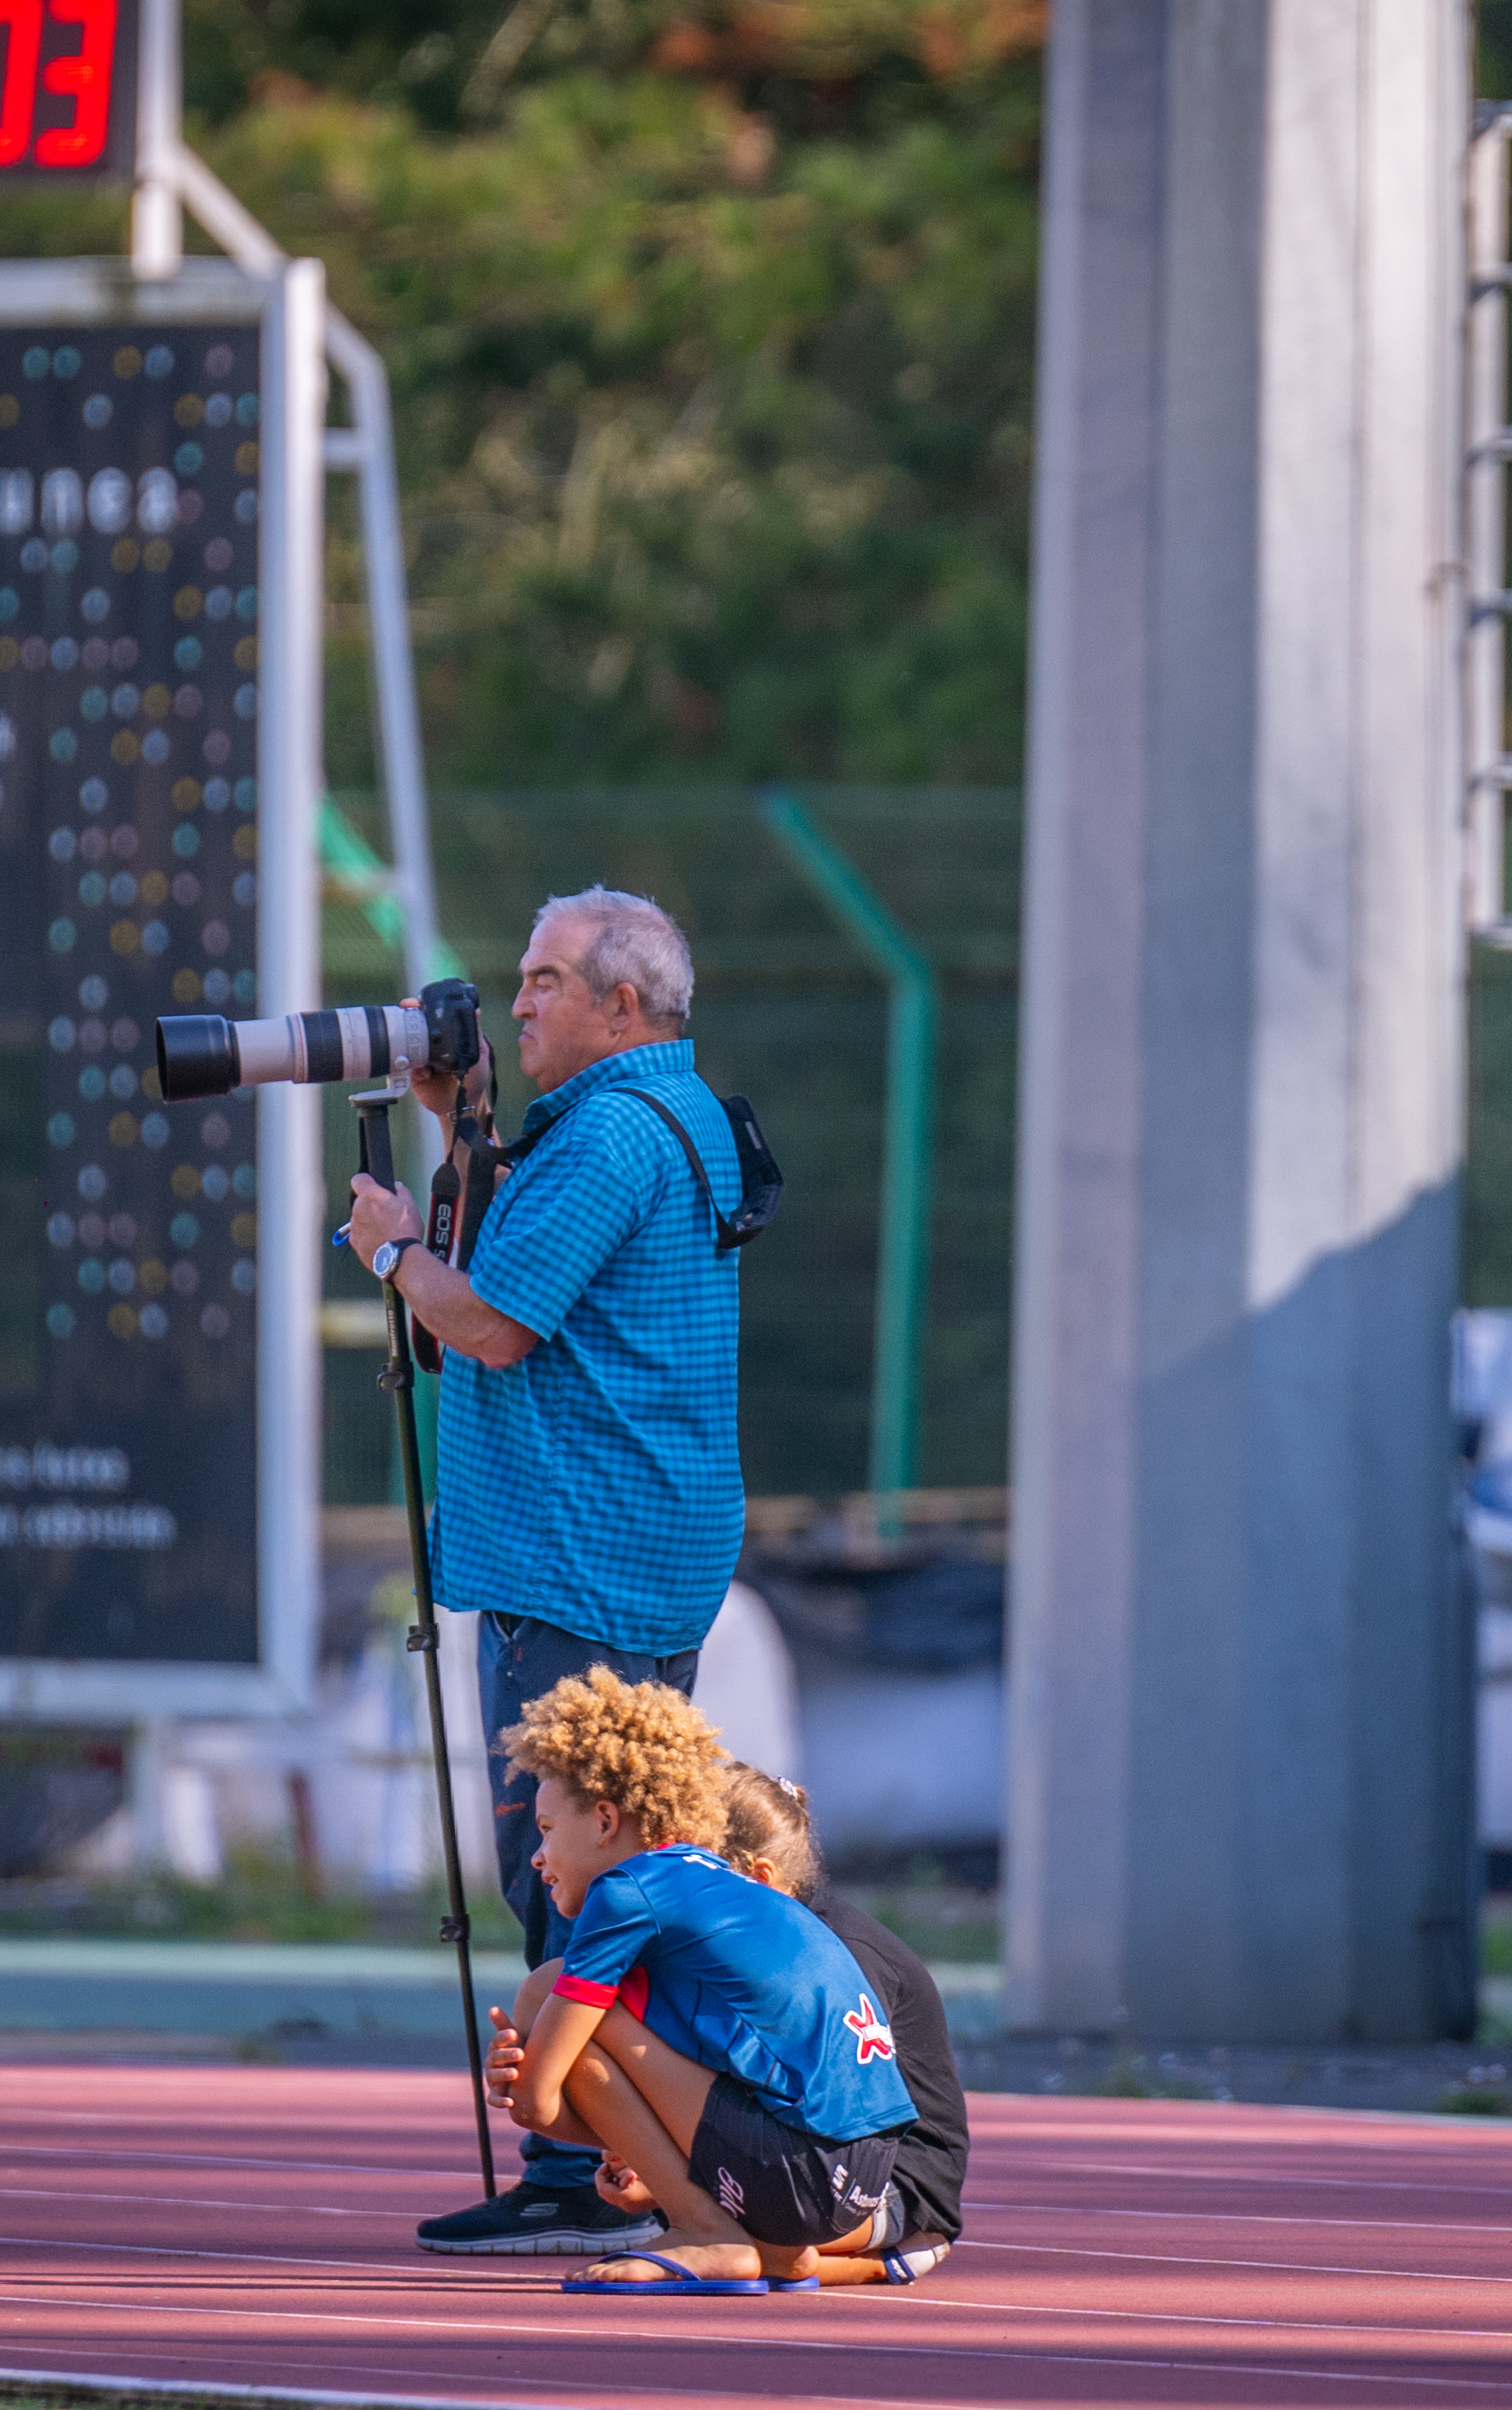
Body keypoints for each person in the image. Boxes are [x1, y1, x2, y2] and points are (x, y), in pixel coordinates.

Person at [339, 888, 747, 2257]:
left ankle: (582, 2164)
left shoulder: (607, 1136)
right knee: (636, 1862)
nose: (516, 1001)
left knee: (567, 1870)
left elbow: (492, 1321)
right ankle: (632, 2150)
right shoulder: (671, 1112)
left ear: (621, 1005)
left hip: (576, 1558)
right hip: (646, 1545)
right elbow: (526, 1277)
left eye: (545, 980)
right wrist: (463, 1128)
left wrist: (390, 1247)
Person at [473, 1668, 917, 2293]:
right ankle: (772, 2249)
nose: (536, 1857)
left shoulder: (628, 1890)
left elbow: (538, 2103)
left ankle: (704, 2228)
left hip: (804, 2170)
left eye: (545, 1829)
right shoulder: (713, 1883)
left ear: (605, 1820)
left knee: (549, 1992)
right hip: (862, 2182)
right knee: (575, 2008)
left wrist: (522, 2074)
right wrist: (641, 2145)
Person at [586, 1762, 963, 2285]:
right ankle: (781, 2253)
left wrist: (671, 2176)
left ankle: (845, 2253)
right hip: (799, 2161)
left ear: (759, 1879)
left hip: (891, 2186)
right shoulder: (734, 1944)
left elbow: (829, 2108)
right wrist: (644, 2157)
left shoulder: (834, 1955)